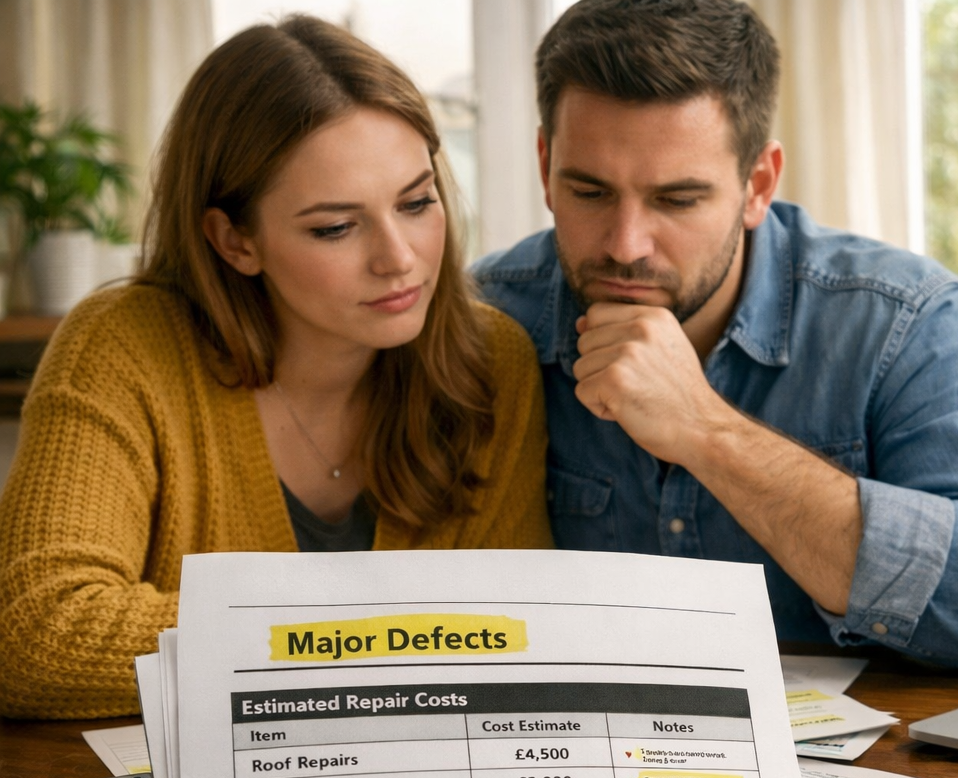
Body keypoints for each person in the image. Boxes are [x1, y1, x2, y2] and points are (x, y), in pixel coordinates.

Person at [474, 0, 958, 681]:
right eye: (589, 192)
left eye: (677, 200)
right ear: (546, 164)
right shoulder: (483, 321)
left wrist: (708, 430)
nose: (625, 245)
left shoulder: (902, 319)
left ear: (757, 185)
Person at [0, 16, 551, 720]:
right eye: (335, 227)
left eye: (416, 203)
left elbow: (521, 635)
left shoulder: (491, 360)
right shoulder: (121, 347)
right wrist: (381, 633)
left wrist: (273, 640)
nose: (400, 257)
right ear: (234, 240)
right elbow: (35, 634)